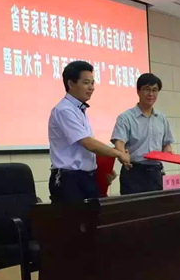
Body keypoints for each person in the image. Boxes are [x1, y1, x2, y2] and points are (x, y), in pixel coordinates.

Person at [48, 61, 131, 204]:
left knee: (95, 216)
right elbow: (87, 143)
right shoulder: (64, 110)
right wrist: (118, 153)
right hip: (69, 180)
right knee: (75, 218)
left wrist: (102, 169)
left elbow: (84, 149)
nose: (91, 87)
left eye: (93, 83)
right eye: (86, 83)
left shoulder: (79, 109)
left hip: (86, 177)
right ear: (71, 84)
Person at [111, 73, 175, 195]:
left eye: (154, 90)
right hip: (133, 172)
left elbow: (166, 144)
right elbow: (119, 143)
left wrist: (168, 152)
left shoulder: (161, 118)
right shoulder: (125, 117)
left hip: (156, 172)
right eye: (147, 89)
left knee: (158, 205)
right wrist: (122, 155)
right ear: (138, 91)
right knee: (133, 206)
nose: (151, 94)